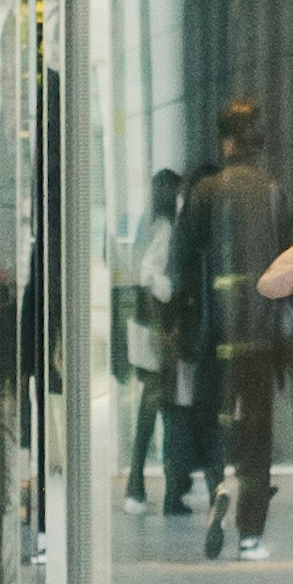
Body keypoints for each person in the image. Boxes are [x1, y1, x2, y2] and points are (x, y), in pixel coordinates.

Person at [178, 99, 291, 557]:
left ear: (225, 141)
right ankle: (251, 532)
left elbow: (183, 261)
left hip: (214, 333)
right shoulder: (273, 192)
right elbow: (289, 266)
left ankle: (218, 486)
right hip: (261, 335)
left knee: (215, 419)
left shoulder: (205, 193)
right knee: (257, 429)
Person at [120, 166, 184, 510]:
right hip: (157, 329)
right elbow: (149, 274)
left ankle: (149, 483)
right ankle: (143, 485)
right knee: (157, 405)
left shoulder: (149, 225)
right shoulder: (165, 228)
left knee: (153, 404)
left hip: (145, 327)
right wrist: (171, 290)